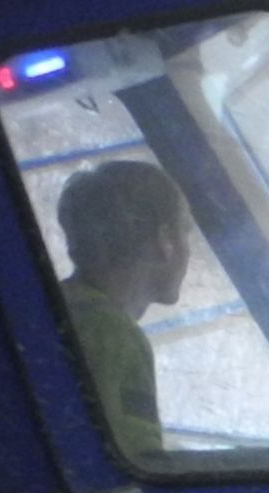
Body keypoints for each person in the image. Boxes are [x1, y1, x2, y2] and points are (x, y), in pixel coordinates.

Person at [53, 156, 192, 461]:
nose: (188, 248)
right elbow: (140, 466)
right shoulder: (113, 334)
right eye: (186, 231)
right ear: (165, 239)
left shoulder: (57, 309)